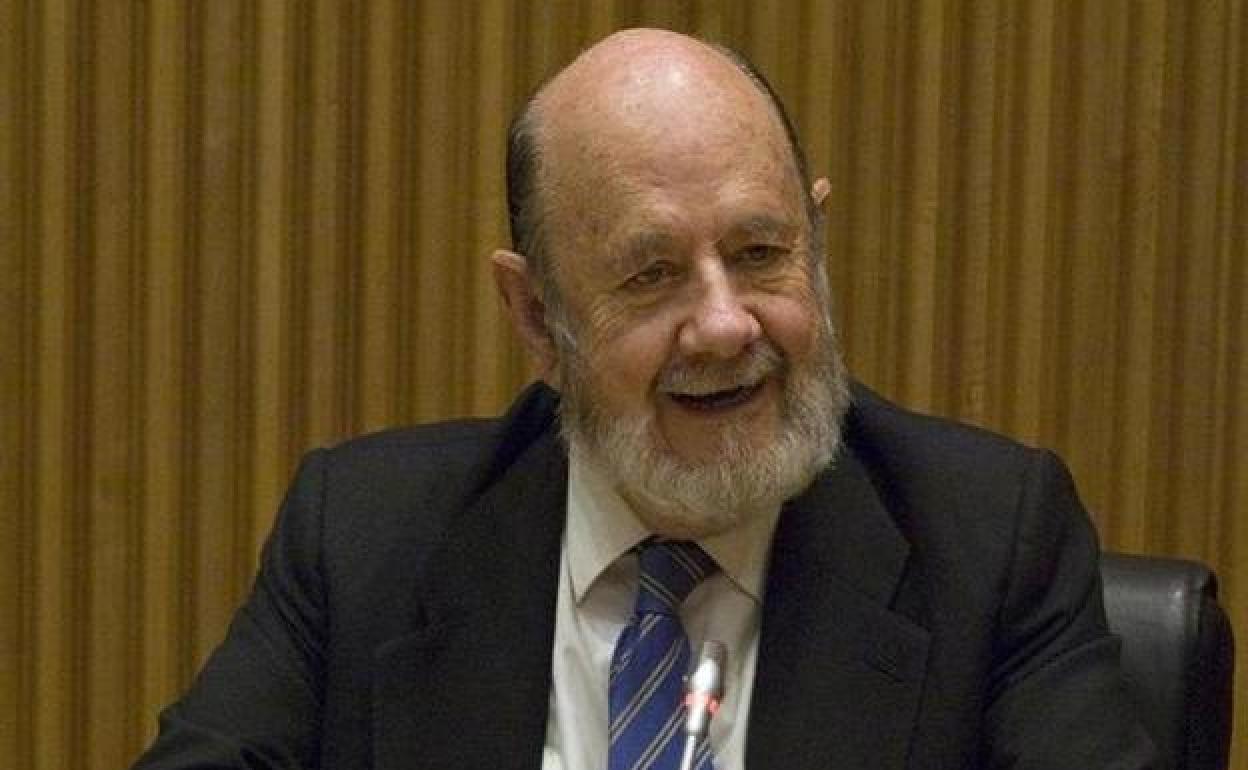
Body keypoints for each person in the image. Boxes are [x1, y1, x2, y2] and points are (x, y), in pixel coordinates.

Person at [132, 28, 1157, 770]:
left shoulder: (988, 541)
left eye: (761, 253)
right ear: (537, 317)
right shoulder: (365, 538)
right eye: (653, 274)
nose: (725, 325)